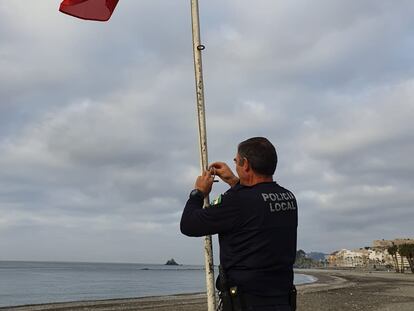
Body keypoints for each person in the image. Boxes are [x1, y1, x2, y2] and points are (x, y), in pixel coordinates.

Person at [180, 137, 298, 311]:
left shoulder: (237, 202)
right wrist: (233, 180)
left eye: (236, 161)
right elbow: (257, 202)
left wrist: (198, 192)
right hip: (282, 299)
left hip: (247, 302)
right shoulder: (289, 198)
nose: (234, 164)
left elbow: (189, 224)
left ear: (246, 165)